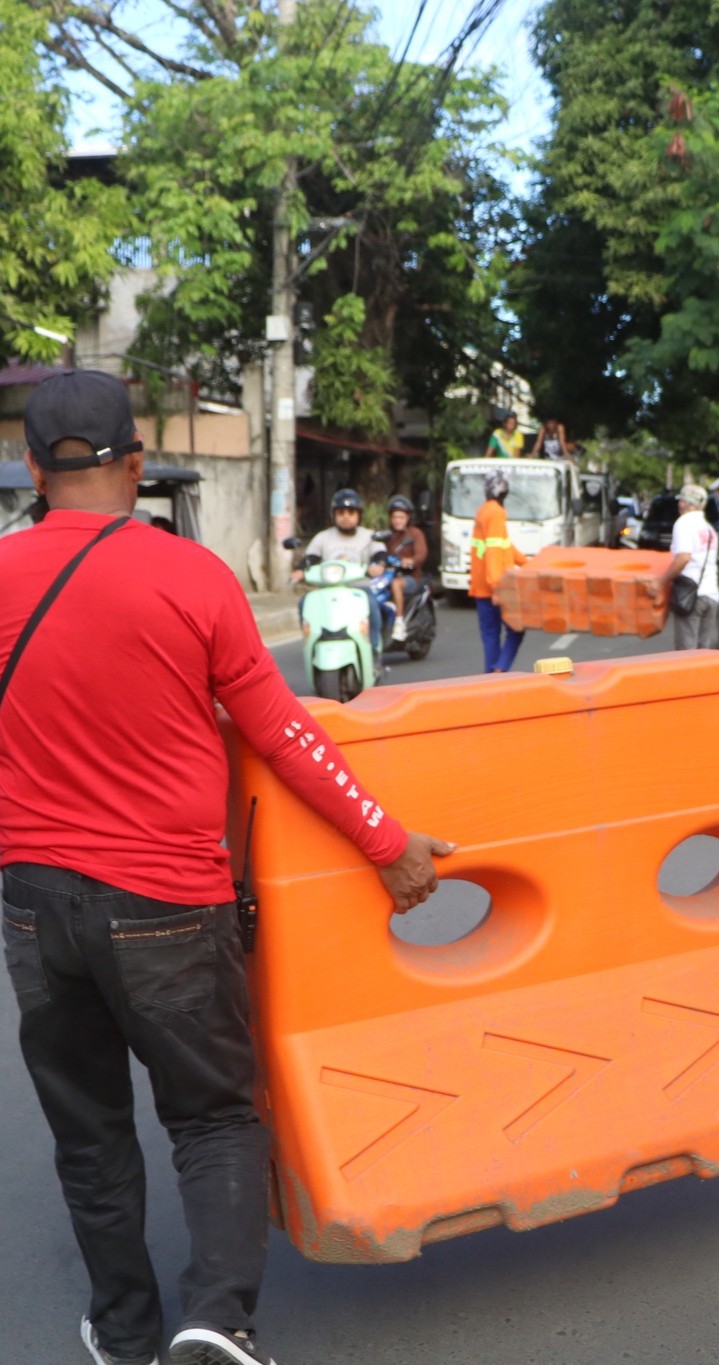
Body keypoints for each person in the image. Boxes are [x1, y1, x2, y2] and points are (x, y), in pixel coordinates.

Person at [0, 371, 455, 1365]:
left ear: (31, 469)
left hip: (33, 904)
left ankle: (122, 1331)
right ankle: (215, 1319)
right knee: (212, 1118)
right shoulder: (193, 576)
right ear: (133, 465)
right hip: (167, 899)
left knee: (89, 1134)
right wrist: (388, 843)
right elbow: (285, 735)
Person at [291, 487, 381, 654]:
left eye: (351, 512)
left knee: (372, 605)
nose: (346, 517)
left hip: (358, 589)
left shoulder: (369, 536)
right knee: (305, 603)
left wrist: (379, 565)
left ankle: (374, 647)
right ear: (334, 515)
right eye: (341, 512)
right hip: (328, 590)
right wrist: (300, 570)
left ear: (359, 515)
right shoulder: (323, 537)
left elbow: (379, 554)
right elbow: (311, 558)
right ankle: (312, 643)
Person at [469, 470, 527, 672]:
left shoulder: (484, 510)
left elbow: (503, 545)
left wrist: (526, 563)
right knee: (516, 629)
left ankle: (492, 675)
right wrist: (497, 586)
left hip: (481, 587)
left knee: (491, 634)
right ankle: (500, 669)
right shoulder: (496, 513)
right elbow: (494, 550)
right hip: (496, 585)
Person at [663, 484, 719, 649]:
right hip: (711, 595)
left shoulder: (684, 523)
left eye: (680, 501)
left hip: (690, 596)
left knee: (686, 655)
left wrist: (660, 582)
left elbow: (683, 558)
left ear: (684, 503)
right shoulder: (709, 529)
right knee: (705, 653)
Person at [383, 495, 428, 643]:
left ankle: (399, 623)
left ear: (408, 518)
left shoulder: (415, 533)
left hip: (411, 578)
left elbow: (421, 555)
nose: (398, 520)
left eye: (401, 517)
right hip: (387, 575)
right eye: (395, 517)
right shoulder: (387, 536)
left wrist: (410, 562)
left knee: (396, 583)